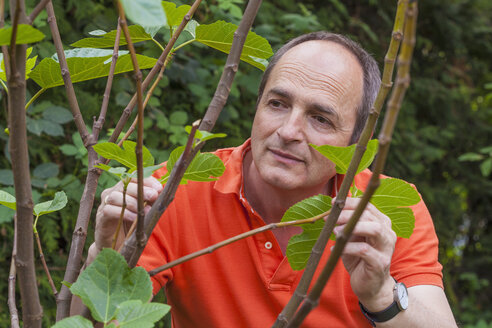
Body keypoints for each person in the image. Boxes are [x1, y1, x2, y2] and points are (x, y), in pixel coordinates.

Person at [87, 32, 457, 327]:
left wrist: (381, 296)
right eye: (277, 104)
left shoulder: (387, 207)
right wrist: (107, 256)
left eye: (320, 119)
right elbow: (101, 320)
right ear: (257, 104)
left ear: (356, 144)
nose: (289, 131)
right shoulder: (174, 191)